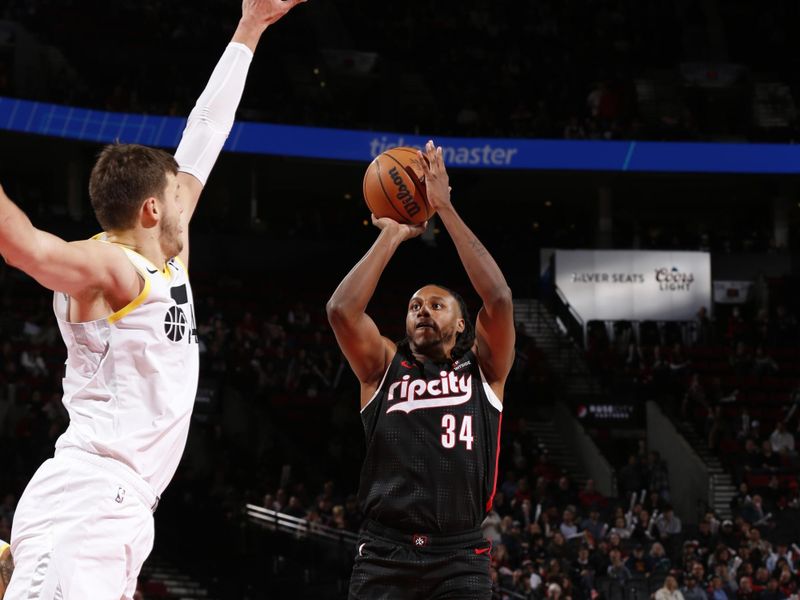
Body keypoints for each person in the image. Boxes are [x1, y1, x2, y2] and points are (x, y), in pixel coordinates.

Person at [0, 1, 305, 598]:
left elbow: (205, 133)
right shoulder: (110, 266)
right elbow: (24, 247)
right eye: (177, 194)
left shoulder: (165, 258)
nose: (189, 197)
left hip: (124, 508)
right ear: (151, 210)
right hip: (88, 501)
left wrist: (251, 26)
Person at [327, 140, 515, 599]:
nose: (423, 311)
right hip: (384, 553)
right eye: (414, 306)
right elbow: (341, 311)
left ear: (461, 322)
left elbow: (500, 299)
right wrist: (391, 234)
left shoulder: (485, 371)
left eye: (436, 304)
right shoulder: (383, 369)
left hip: (460, 555)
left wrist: (444, 209)